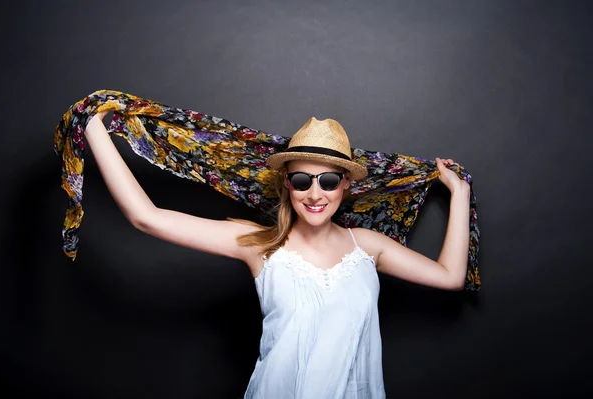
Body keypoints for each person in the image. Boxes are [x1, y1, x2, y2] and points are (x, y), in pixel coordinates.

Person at [84, 112, 471, 399]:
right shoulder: (259, 244)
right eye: (302, 180)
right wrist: (93, 126)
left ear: (346, 185)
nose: (314, 194)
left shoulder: (367, 246)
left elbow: (451, 276)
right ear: (287, 184)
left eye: (329, 181)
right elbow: (146, 218)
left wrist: (459, 193)